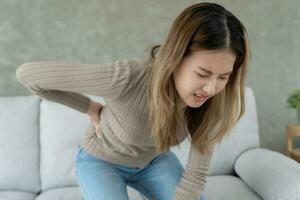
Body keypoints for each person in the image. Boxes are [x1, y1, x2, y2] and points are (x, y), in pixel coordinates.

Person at [15, 2, 250, 200]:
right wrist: (89, 107)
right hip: (101, 161)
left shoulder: (216, 98)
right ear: (175, 58)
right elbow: (28, 75)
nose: (211, 88)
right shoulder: (126, 77)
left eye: (223, 76)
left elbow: (196, 176)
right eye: (202, 74)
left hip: (154, 161)